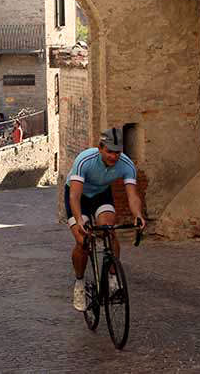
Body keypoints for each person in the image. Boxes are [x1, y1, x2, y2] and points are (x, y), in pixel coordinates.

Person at [66, 128, 146, 311]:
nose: (114, 157)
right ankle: (79, 283)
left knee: (109, 230)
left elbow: (132, 195)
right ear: (100, 148)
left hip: (101, 195)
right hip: (78, 197)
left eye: (117, 152)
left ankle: (112, 278)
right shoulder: (85, 160)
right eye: (109, 152)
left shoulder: (126, 164)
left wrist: (138, 215)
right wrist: (79, 219)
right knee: (82, 240)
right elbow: (74, 197)